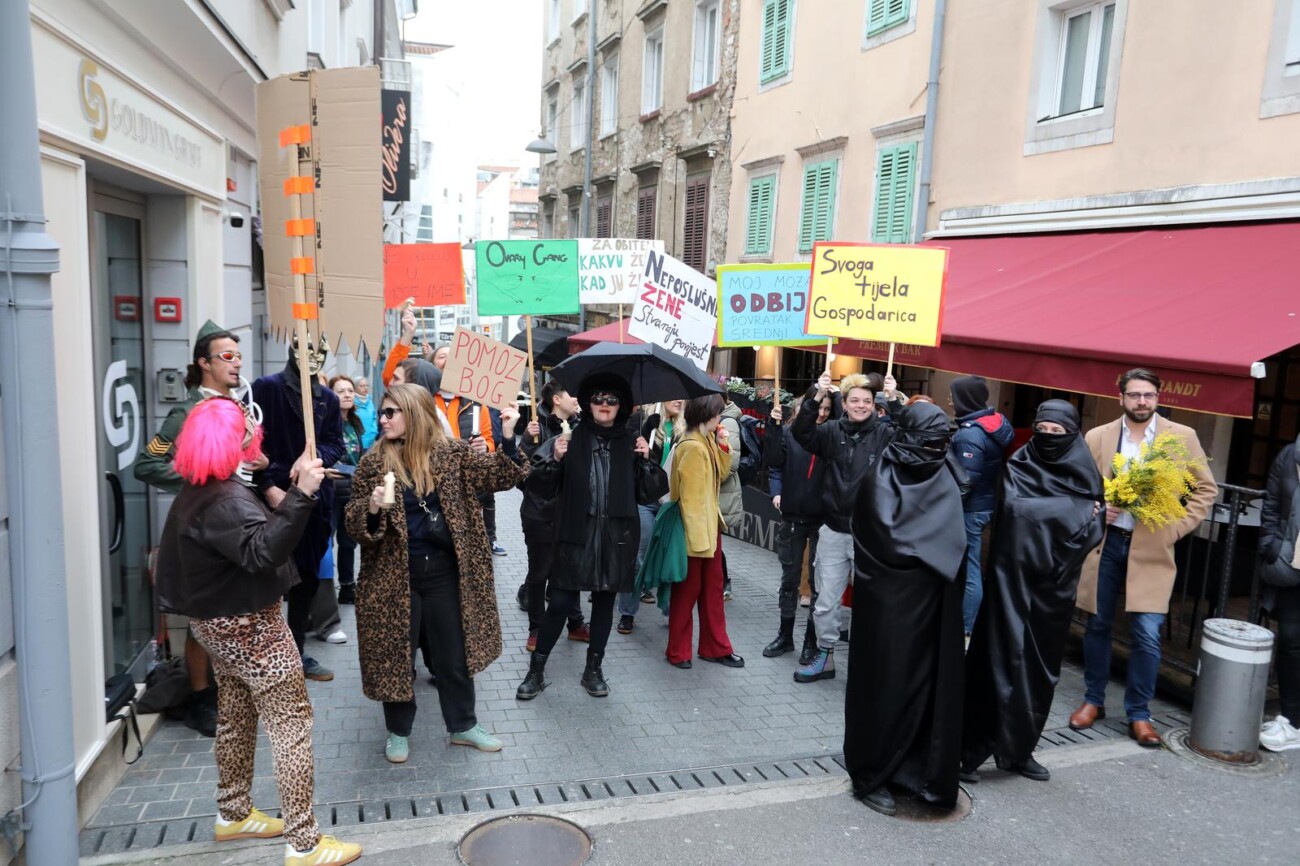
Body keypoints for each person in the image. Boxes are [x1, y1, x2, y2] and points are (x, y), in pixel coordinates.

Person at [155, 396, 361, 866]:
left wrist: (287, 486)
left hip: (219, 625)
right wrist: (303, 495)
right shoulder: (225, 499)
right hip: (249, 626)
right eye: (249, 437)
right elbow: (263, 551)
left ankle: (232, 813)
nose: (255, 441)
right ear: (234, 444)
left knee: (236, 714)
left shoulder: (202, 489)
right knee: (291, 723)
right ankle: (304, 843)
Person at [346, 383, 524, 762]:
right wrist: (372, 508)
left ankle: (463, 725)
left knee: (452, 655)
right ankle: (398, 731)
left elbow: (501, 477)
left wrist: (508, 435)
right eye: (382, 412)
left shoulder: (451, 454)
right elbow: (353, 524)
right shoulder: (372, 463)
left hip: (445, 571)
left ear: (414, 413)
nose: (383, 418)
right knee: (397, 656)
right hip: (394, 576)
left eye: (391, 412)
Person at [1069, 369, 1218, 748]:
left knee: (1147, 635)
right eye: (1134, 395)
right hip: (1106, 543)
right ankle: (1093, 701)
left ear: (1158, 397)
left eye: (1148, 395)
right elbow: (1079, 485)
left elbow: (1205, 489)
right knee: (1097, 625)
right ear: (1120, 397)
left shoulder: (1181, 437)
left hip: (1152, 548)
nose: (1141, 402)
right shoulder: (1098, 436)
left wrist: (1176, 528)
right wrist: (1098, 509)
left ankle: (1139, 714)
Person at [961, 400, 1105, 783]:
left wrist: (1066, 514)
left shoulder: (1085, 470)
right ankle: (968, 753)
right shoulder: (1019, 466)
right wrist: (1072, 512)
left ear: (1072, 434)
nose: (1048, 438)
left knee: (1040, 672)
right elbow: (1017, 515)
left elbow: (1096, 522)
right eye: (1042, 430)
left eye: (1058, 433)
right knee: (995, 665)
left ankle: (1018, 751)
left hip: (1055, 590)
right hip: (1012, 581)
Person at [136, 320, 265, 739]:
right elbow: (147, 464)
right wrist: (200, 476)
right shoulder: (186, 411)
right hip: (205, 525)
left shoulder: (239, 405)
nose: (236, 363)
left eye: (238, 356)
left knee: (235, 609)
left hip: (241, 517)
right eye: (226, 356)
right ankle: (199, 698)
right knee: (202, 617)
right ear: (203, 363)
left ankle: (231, 690)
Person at [845, 401, 968, 817]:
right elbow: (883, 540)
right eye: (929, 441)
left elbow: (955, 526)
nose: (936, 449)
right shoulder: (880, 479)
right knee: (887, 685)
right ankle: (871, 773)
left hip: (936, 604)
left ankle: (920, 770)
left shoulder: (943, 471)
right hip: (890, 610)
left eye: (941, 442)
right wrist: (935, 553)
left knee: (930, 687)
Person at [515, 373, 668, 700]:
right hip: (574, 537)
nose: (604, 404)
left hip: (616, 539)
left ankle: (593, 669)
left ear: (620, 406)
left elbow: (649, 494)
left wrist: (648, 460)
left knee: (603, 604)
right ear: (588, 402)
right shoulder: (570, 438)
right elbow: (536, 486)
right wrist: (554, 459)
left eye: (612, 399)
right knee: (558, 604)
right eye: (598, 398)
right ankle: (536, 670)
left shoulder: (631, 442)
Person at [252, 336, 346, 683]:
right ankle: (265, 654)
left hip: (314, 503)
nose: (312, 356)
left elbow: (335, 442)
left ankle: (296, 650)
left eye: (319, 349)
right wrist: (268, 486)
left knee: (306, 577)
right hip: (272, 495)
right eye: (304, 348)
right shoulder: (267, 388)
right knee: (269, 575)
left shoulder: (329, 399)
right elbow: (251, 442)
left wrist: (314, 456)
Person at [790, 371, 894, 683]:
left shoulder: (886, 433)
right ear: (844, 404)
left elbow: (911, 435)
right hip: (834, 530)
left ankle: (869, 665)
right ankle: (825, 657)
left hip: (871, 535)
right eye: (855, 400)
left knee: (872, 605)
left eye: (868, 401)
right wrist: (815, 396)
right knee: (824, 603)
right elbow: (801, 433)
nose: (861, 405)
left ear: (875, 406)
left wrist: (893, 399)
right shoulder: (831, 432)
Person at [665, 393, 745, 670]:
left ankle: (712, 647)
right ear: (706, 415)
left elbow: (720, 476)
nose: (720, 418)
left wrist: (723, 447)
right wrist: (701, 541)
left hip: (708, 528)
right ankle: (679, 650)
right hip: (695, 531)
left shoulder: (705, 440)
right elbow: (691, 500)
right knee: (689, 592)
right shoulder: (692, 446)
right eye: (717, 414)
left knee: (710, 590)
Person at [763, 388, 834, 662]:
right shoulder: (790, 433)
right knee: (789, 580)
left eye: (827, 409)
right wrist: (773, 425)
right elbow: (774, 463)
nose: (822, 413)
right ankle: (785, 634)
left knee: (817, 584)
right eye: (819, 407)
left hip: (821, 520)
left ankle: (810, 641)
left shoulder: (832, 437)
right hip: (792, 516)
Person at [519, 381, 589, 650]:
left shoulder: (582, 426)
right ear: (557, 399)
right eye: (573, 393)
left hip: (570, 511)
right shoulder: (535, 428)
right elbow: (521, 475)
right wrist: (528, 441)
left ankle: (575, 623)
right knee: (539, 574)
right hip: (539, 513)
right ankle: (536, 628)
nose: (577, 399)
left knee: (570, 570)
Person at [948, 376, 1015, 640]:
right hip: (987, 503)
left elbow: (966, 480)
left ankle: (966, 627)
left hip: (971, 508)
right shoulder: (995, 423)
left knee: (971, 567)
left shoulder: (970, 434)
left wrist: (948, 507)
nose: (950, 401)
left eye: (953, 397)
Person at [618, 399, 685, 634]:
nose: (679, 400)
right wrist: (644, 442)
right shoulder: (641, 422)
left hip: (672, 503)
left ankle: (671, 611)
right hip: (646, 501)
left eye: (682, 397)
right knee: (637, 555)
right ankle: (627, 613)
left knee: (672, 558)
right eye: (673, 395)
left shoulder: (685, 428)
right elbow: (626, 461)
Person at [1257, 433, 1300, 751]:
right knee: (1290, 642)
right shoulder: (1290, 455)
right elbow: (1271, 503)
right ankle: (1292, 720)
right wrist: (1269, 543)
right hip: (1291, 565)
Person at [434, 386, 508, 557]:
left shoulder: (475, 404)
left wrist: (485, 446)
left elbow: (489, 439)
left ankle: (488, 540)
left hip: (470, 469)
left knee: (484, 500)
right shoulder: (428, 400)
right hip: (440, 470)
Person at [329, 375, 365, 606]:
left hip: (350, 491)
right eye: (341, 391)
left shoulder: (355, 423)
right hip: (331, 491)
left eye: (350, 390)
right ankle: (321, 591)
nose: (347, 394)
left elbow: (359, 456)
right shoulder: (326, 422)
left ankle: (347, 586)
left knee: (348, 543)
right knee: (326, 543)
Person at [352, 375, 378, 449]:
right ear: (355, 388)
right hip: (357, 442)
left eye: (367, 385)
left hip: (371, 440)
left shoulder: (370, 402)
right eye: (362, 386)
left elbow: (374, 418)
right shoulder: (352, 403)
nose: (365, 388)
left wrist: (374, 431)